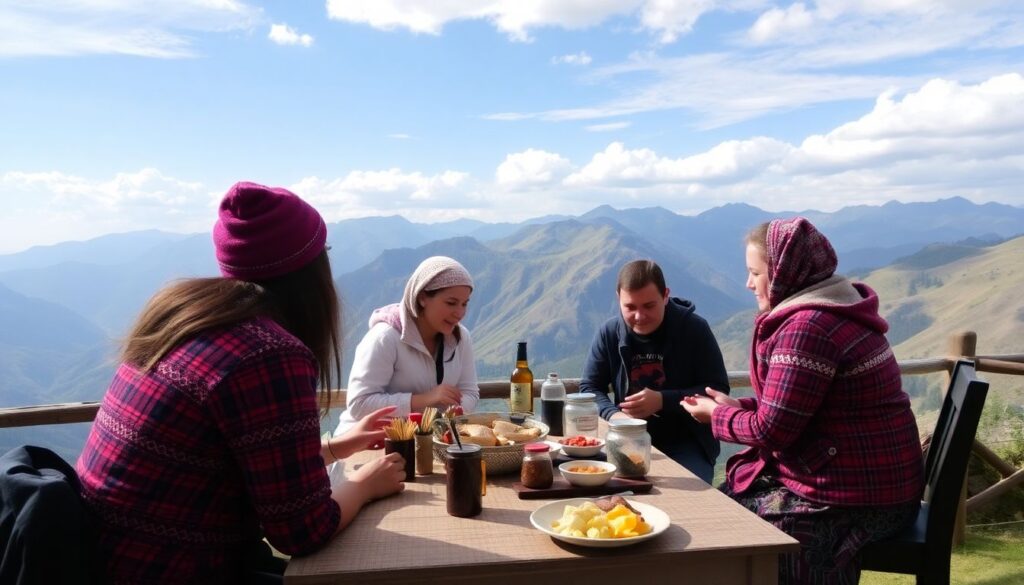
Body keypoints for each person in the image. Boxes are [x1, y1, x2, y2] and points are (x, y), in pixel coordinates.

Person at [76, 182, 407, 584]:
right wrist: (364, 485)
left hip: (102, 559)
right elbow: (302, 529)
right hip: (173, 569)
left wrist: (336, 447)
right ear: (309, 270)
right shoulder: (267, 354)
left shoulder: (182, 317)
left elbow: (236, 464)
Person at [682, 217, 924, 584]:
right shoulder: (837, 307)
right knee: (725, 507)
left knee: (729, 526)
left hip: (863, 499)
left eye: (755, 273)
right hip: (882, 484)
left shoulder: (807, 329)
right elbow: (800, 410)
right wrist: (737, 409)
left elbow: (772, 431)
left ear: (782, 273)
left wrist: (715, 417)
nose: (748, 283)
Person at [579, 259, 730, 483]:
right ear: (618, 299)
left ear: (665, 295)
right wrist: (615, 416)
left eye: (649, 306)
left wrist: (662, 400)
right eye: (630, 307)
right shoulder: (609, 333)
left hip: (686, 442)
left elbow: (717, 389)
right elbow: (589, 388)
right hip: (626, 439)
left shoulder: (694, 330)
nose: (639, 316)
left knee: (688, 498)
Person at [333, 255, 479, 437]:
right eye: (451, 303)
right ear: (422, 298)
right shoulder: (384, 338)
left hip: (426, 440)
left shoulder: (461, 337)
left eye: (464, 304)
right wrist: (424, 400)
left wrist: (447, 417)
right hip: (368, 445)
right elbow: (359, 404)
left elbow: (470, 392)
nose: (460, 313)